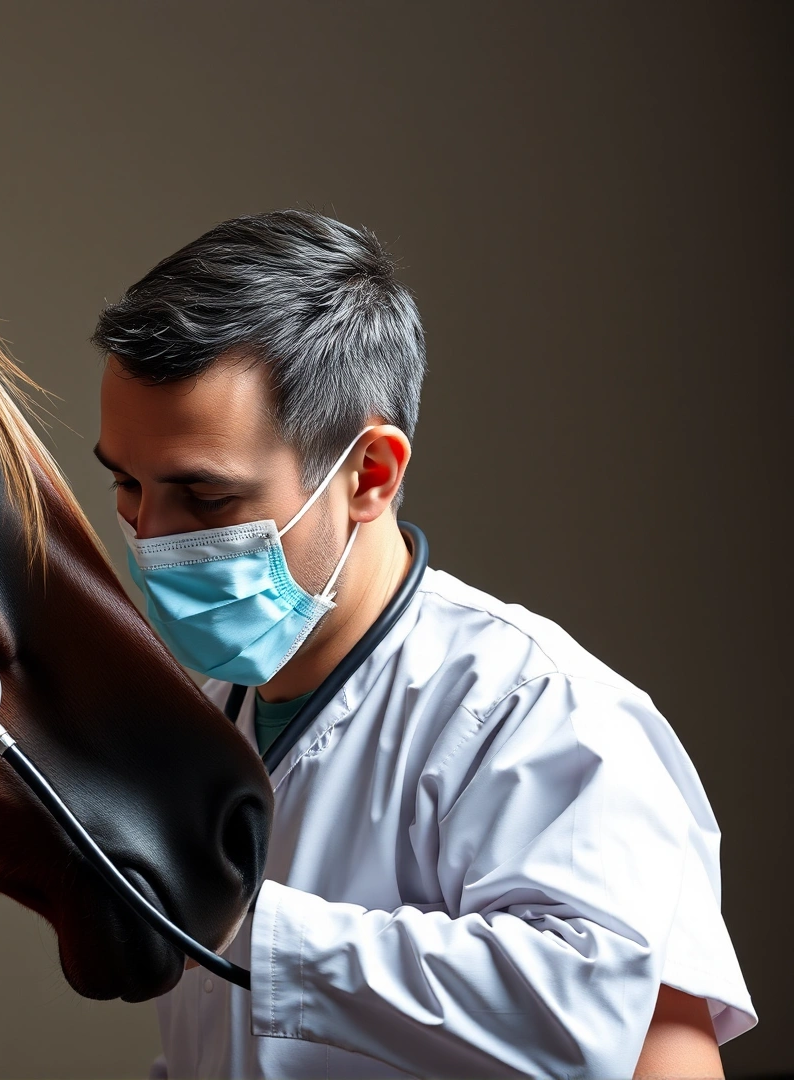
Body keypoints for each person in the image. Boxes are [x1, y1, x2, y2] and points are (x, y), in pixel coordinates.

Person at [92, 211, 754, 1076]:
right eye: (127, 485)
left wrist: (247, 931)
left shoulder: (542, 713)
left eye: (206, 500)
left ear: (370, 474)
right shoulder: (203, 720)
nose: (151, 537)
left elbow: (623, 1036)